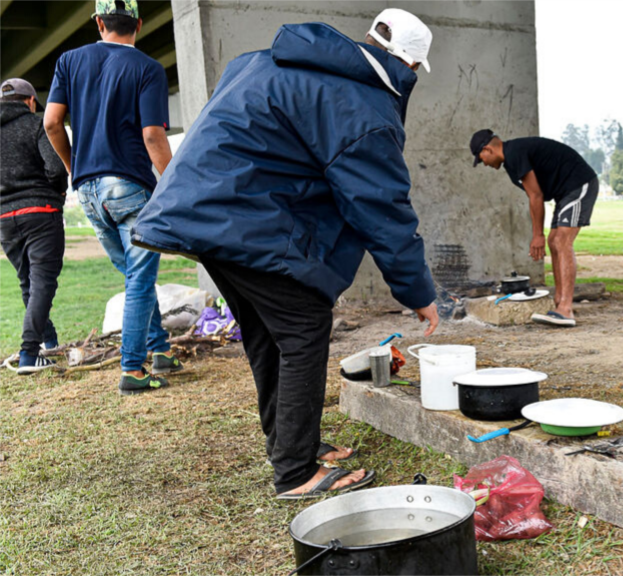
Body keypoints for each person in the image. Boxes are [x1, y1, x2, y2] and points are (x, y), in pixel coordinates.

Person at [131, 10, 440, 499]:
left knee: (266, 334)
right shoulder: (363, 105)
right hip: (246, 224)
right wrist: (418, 291)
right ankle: (296, 473)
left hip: (211, 218)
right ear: (407, 64)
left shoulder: (261, 62)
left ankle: (293, 444)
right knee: (302, 331)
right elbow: (381, 207)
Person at [43, 0, 183, 394]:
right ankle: (133, 369)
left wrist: (74, 168)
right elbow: (153, 135)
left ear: (99, 23)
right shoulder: (148, 69)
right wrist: (174, 185)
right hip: (129, 186)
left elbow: (52, 122)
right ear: (138, 24)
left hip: (88, 189)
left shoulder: (69, 60)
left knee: (134, 274)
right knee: (140, 276)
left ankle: (159, 350)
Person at [470, 130, 599, 327]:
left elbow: (536, 196)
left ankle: (565, 309)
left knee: (561, 241)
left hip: (579, 184)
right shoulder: (511, 159)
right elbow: (538, 193)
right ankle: (559, 303)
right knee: (554, 242)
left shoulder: (514, 154)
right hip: (564, 192)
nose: (484, 164)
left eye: (482, 159)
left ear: (488, 149)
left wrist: (537, 234)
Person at [0, 78, 69, 374]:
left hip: (4, 218)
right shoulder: (36, 123)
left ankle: (48, 341)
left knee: (28, 281)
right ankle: (29, 353)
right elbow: (55, 167)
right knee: (42, 282)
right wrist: (59, 191)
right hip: (40, 211)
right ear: (30, 101)